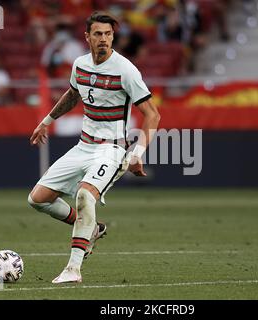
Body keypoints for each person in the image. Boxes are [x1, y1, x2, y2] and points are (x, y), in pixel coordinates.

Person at [28, 11, 161, 284]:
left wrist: (137, 153)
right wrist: (46, 121)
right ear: (87, 37)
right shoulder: (80, 64)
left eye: (108, 34)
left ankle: (73, 269)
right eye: (98, 34)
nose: (104, 39)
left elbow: (153, 114)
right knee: (37, 199)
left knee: (84, 196)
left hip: (111, 150)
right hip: (83, 146)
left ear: (113, 37)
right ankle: (92, 229)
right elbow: (73, 94)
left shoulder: (125, 69)